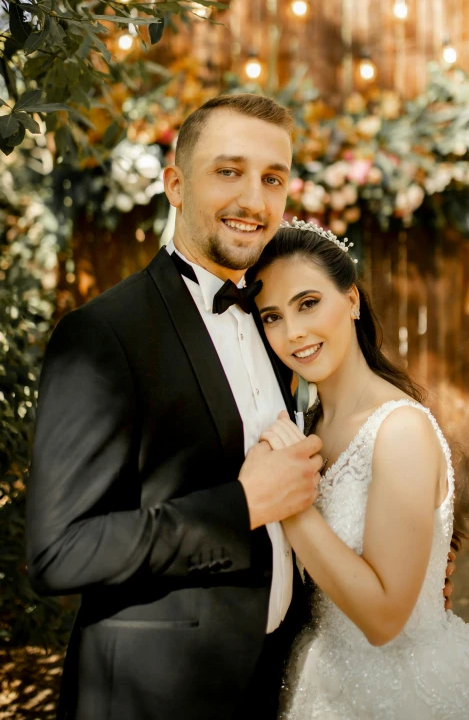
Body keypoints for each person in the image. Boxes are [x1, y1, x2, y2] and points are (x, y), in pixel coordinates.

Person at [25, 94, 324, 720]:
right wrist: (241, 505)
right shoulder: (104, 335)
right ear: (176, 185)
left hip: (271, 684)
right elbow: (61, 552)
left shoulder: (276, 328)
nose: (253, 199)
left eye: (273, 178)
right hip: (153, 695)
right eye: (228, 171)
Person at [246, 219, 469, 719]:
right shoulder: (303, 426)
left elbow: (383, 618)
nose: (294, 332)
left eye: (308, 303)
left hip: (409, 692)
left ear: (351, 300)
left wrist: (286, 501)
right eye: (272, 317)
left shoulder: (399, 431)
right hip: (319, 677)